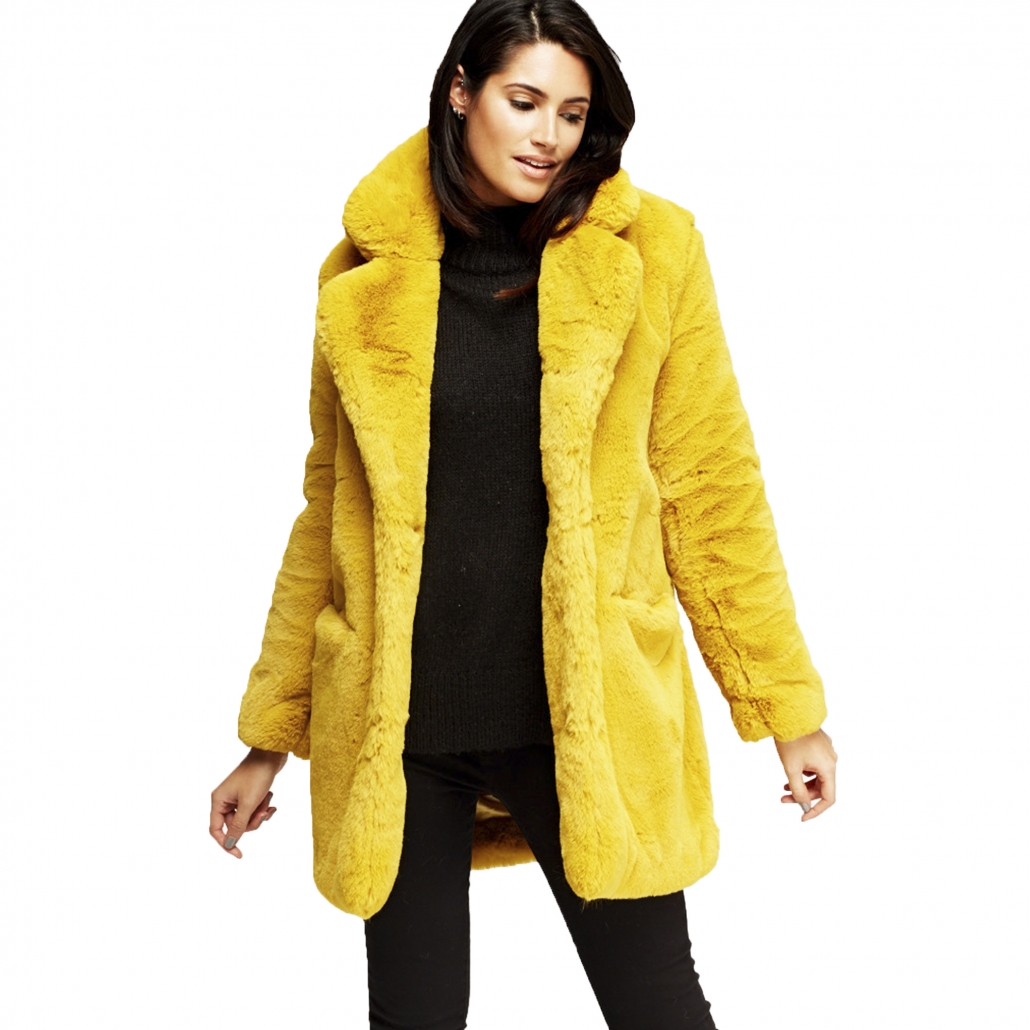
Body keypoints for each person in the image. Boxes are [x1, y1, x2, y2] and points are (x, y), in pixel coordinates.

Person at [209, 1, 838, 1027]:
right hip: (401, 729)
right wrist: (269, 736)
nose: (549, 136)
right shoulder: (363, 276)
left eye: (573, 114)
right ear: (462, 93)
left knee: (658, 1007)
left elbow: (710, 488)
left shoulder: (655, 254)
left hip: (587, 714)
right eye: (524, 101)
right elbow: (329, 513)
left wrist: (784, 707)